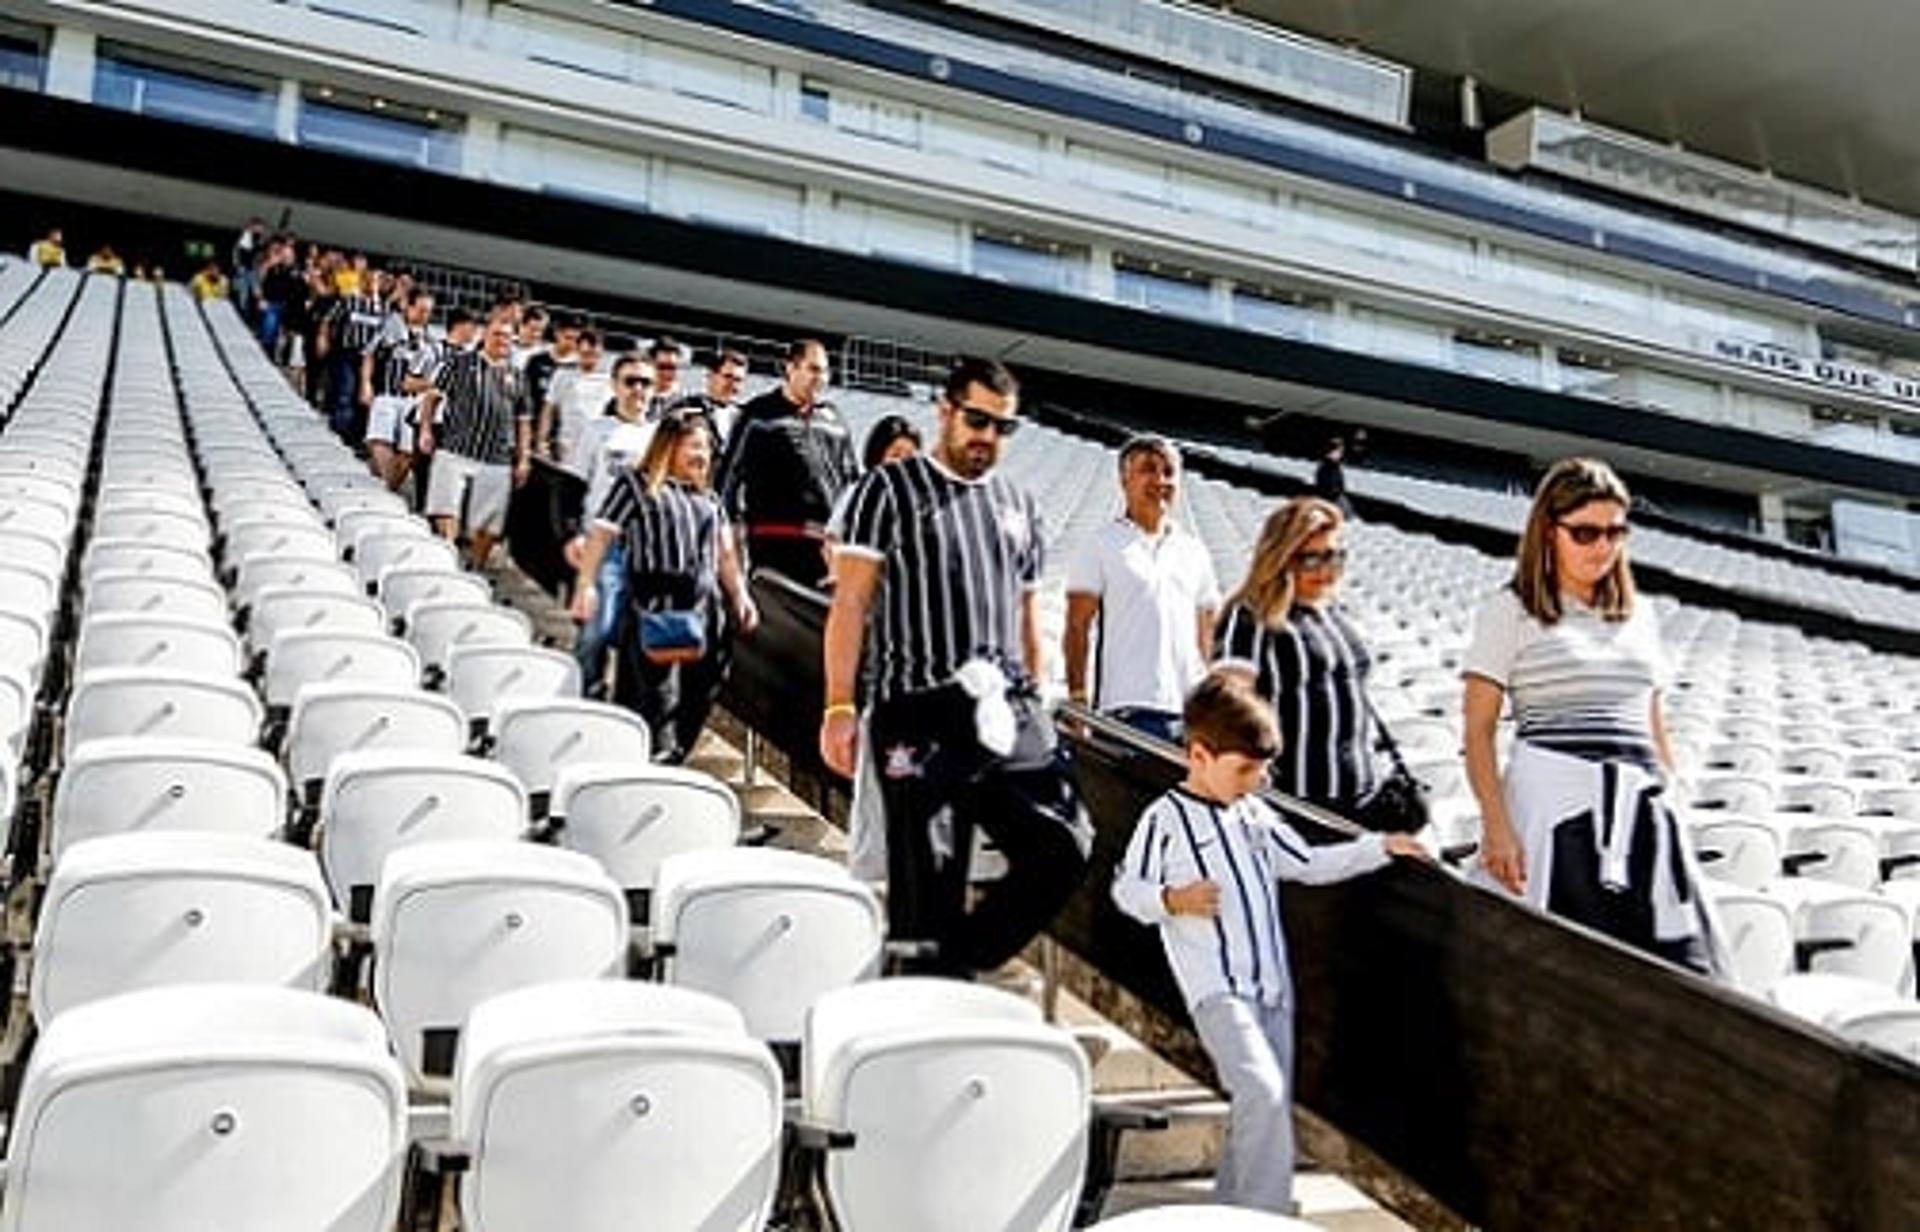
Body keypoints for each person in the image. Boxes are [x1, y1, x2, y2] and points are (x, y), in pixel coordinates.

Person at [1112, 672, 1426, 1215]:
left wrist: (1380, 847)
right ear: (1199, 755)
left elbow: (1309, 863)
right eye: (1244, 768)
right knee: (1261, 1089)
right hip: (1217, 989)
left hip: (1272, 990)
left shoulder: (1255, 814)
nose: (1256, 780)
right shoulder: (1165, 818)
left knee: (1262, 1107)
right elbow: (1126, 889)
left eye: (1262, 769)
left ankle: (1229, 1215)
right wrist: (1173, 898)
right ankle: (1268, 1216)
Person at [822, 356, 1091, 977]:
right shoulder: (885, 491)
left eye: (1002, 427)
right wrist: (839, 705)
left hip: (1009, 708)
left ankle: (955, 966)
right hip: (918, 711)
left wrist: (1041, 697)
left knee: (1066, 844)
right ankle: (925, 999)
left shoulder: (1020, 503)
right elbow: (852, 602)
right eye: (977, 420)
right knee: (927, 897)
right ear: (945, 410)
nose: (987, 437)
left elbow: (1027, 615)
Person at [1462, 458, 1719, 972]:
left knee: (1682, 978)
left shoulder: (1639, 614)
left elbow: (1652, 720)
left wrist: (1673, 793)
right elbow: (1479, 730)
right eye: (1585, 533)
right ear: (1548, 531)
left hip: (1646, 818)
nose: (1603, 547)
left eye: (1615, 532)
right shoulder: (1510, 610)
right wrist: (1497, 827)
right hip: (1558, 818)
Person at [570, 410, 756, 761]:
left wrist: (740, 595)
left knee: (701, 689)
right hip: (653, 605)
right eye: (694, 446)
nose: (702, 455)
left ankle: (674, 755)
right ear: (669, 446)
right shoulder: (636, 485)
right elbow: (602, 535)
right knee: (652, 698)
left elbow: (726, 554)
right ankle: (645, 761)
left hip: (704, 611)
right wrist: (586, 585)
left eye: (705, 447)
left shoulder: (710, 499)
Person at [1213, 499, 1382, 812]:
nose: (1325, 570)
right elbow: (1228, 707)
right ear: (1281, 559)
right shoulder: (1251, 616)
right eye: (1310, 559)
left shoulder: (1335, 611)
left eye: (1333, 557)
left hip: (1361, 798)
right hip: (1297, 805)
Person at [1064, 434, 1220, 744]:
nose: (1161, 480)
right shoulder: (1100, 543)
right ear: (1124, 479)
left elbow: (1206, 634)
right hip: (1127, 712)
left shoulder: (1195, 550)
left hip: (1189, 717)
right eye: (1148, 469)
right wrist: (1078, 700)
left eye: (1168, 471)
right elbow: (1077, 626)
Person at [717, 338, 858, 588]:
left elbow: (851, 483)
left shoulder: (834, 419)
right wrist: (729, 544)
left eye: (825, 371)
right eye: (813, 369)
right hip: (775, 547)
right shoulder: (757, 415)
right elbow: (728, 479)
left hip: (826, 551)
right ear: (791, 368)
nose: (821, 378)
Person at [565, 353, 657, 695]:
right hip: (603, 547)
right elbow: (572, 486)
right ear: (615, 386)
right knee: (596, 630)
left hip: (648, 551)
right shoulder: (596, 430)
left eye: (645, 382)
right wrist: (572, 533)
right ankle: (583, 692)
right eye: (630, 381)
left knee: (635, 636)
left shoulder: (660, 436)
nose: (638, 390)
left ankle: (623, 705)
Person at [416, 308, 529, 567]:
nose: (501, 341)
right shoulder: (459, 363)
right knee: (446, 509)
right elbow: (432, 398)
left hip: (496, 457)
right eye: (496, 335)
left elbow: (524, 421)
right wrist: (425, 429)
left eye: (507, 337)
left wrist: (523, 458)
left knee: (487, 524)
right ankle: (447, 559)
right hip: (455, 448)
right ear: (484, 335)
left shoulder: (518, 376)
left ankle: (474, 568)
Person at [363, 287, 437, 490]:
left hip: (412, 401)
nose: (425, 315)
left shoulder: (429, 340)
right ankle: (387, 490)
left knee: (407, 453)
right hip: (387, 393)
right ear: (409, 306)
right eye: (421, 310)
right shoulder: (391, 325)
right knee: (380, 441)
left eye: (428, 311)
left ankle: (387, 488)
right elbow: (369, 354)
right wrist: (366, 384)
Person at [671, 348, 749, 444]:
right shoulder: (686, 407)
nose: (732, 384)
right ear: (711, 376)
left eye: (738, 380)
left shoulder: (745, 417)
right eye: (727, 377)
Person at [1313, 436, 1350, 516]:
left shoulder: (1334, 465)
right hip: (1331, 498)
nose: (1341, 454)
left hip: (1336, 496)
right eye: (1339, 451)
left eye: (1342, 451)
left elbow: (1339, 482)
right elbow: (1323, 486)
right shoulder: (1327, 466)